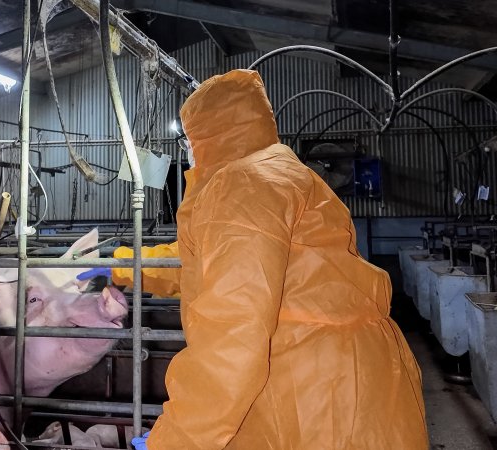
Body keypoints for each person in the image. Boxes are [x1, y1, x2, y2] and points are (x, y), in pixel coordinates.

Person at [105, 70, 428, 449]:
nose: (188, 152)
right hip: (346, 375)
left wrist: (177, 439)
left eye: (190, 140)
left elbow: (234, 331)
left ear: (207, 135)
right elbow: (213, 259)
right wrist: (122, 265)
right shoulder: (279, 172)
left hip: (316, 397)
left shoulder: (242, 184)